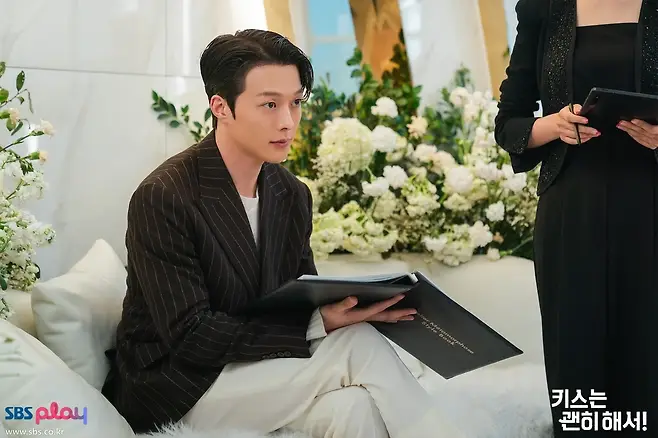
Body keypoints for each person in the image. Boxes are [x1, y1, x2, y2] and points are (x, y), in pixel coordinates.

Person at [101, 29, 463, 437]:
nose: (287, 122)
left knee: (353, 405)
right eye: (270, 105)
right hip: (179, 386)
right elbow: (191, 336)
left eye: (295, 103)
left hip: (261, 372)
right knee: (358, 345)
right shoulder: (164, 196)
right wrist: (317, 324)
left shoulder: (290, 194)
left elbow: (300, 295)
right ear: (221, 107)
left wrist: (342, 311)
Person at [495, 0, 658, 436]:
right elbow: (509, 125)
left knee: (648, 361)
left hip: (649, 211)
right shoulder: (542, 9)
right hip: (570, 213)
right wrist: (556, 126)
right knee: (577, 366)